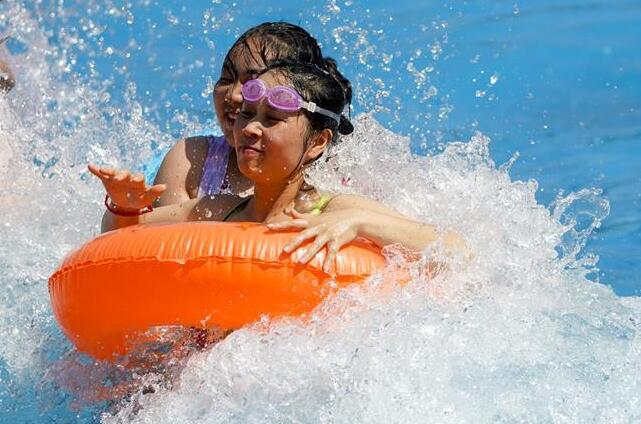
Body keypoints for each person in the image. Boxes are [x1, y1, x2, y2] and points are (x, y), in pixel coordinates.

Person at [92, 58, 467, 272]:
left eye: (272, 119)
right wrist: (124, 206)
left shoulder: (333, 210)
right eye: (247, 114)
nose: (249, 129)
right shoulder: (218, 210)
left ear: (318, 143)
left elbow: (455, 250)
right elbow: (117, 239)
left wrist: (360, 223)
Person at [89, 22, 329, 216]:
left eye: (251, 84)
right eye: (226, 79)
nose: (233, 95)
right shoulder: (193, 162)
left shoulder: (328, 186)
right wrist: (124, 210)